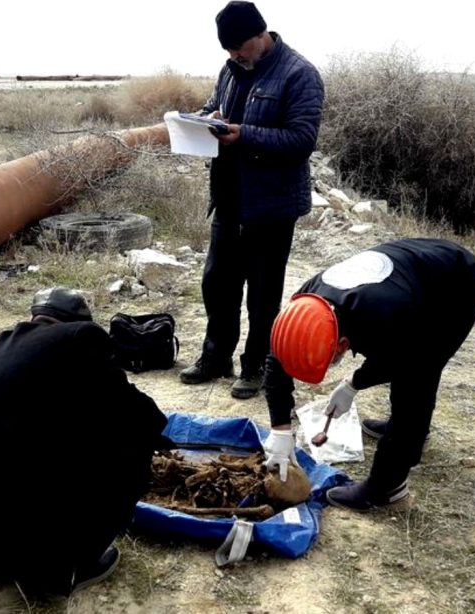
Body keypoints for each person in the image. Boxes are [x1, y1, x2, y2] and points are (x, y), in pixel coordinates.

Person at [0, 287, 169, 595]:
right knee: (130, 444)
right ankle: (76, 565)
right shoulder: (80, 337)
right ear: (77, 320)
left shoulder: (6, 342)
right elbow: (131, 410)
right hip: (30, 544)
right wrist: (160, 434)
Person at [261, 239, 475, 511]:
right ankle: (405, 438)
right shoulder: (302, 309)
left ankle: (387, 489)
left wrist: (353, 383)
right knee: (405, 359)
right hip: (412, 273)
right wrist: (280, 429)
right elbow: (277, 358)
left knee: (417, 377)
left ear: (343, 344)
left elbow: (399, 360)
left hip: (455, 284)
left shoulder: (383, 315)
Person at [179, 1, 325, 400]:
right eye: (227, 50)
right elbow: (216, 108)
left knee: (262, 295)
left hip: (272, 206)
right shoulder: (231, 69)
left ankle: (256, 364)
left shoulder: (300, 74)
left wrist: (244, 134)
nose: (233, 56)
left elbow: (301, 141)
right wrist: (202, 118)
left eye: (239, 47)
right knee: (218, 284)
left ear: (261, 35)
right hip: (228, 199)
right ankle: (215, 357)